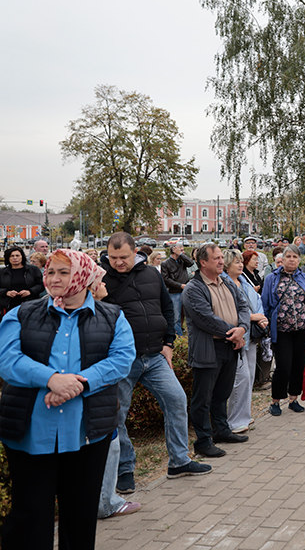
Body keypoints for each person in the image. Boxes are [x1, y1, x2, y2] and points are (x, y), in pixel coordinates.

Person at [0, 249, 135, 550]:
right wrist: (50, 379)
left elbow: (122, 358)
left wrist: (78, 383)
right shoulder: (20, 314)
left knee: (80, 515)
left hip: (86, 434)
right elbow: (7, 360)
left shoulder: (112, 316)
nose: (54, 278)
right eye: (50, 272)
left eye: (64, 272)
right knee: (31, 515)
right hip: (30, 432)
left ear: (84, 276)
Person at [99, 232, 211, 496]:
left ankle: (179, 461)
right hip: (121, 359)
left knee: (176, 400)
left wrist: (169, 343)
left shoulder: (152, 273)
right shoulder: (99, 278)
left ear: (135, 251)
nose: (118, 262)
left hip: (155, 355)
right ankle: (124, 469)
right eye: (113, 257)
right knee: (117, 416)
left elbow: (166, 307)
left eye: (124, 257)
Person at [182, 243, 251, 456]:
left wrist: (243, 328)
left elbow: (244, 306)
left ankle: (221, 430)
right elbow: (205, 319)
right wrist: (236, 332)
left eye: (222, 257)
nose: (222, 261)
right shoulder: (193, 288)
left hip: (229, 347)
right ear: (203, 263)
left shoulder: (227, 283)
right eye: (217, 258)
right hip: (208, 349)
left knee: (222, 393)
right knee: (202, 399)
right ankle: (203, 442)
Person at [261, 244, 305, 415]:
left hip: (303, 330)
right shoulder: (272, 279)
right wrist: (265, 326)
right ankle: (275, 401)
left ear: (299, 259)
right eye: (289, 257)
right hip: (281, 330)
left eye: (295, 257)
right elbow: (265, 304)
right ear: (282, 259)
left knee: (298, 365)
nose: (292, 260)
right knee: (283, 366)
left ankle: (294, 398)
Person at [223, 249, 268, 435]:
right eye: (236, 262)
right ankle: (234, 419)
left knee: (248, 376)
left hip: (251, 334)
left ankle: (244, 414)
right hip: (237, 335)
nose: (241, 265)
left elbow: (257, 301)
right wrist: (253, 316)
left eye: (241, 261)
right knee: (239, 379)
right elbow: (228, 310)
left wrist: (261, 318)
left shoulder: (244, 281)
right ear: (226, 265)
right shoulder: (224, 283)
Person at [160, 243, 194, 336]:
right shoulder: (165, 263)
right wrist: (180, 285)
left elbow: (191, 263)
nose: (183, 252)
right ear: (174, 251)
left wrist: (181, 255)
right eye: (181, 250)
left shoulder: (182, 260)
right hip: (174, 293)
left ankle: (191, 335)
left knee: (190, 315)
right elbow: (166, 279)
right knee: (176, 317)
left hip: (186, 292)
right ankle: (178, 337)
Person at [1, 246, 45, 315]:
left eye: (17, 255)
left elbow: (41, 284)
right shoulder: (2, 272)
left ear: (22, 256)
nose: (15, 258)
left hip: (30, 305)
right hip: (8, 306)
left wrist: (30, 291)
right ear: (8, 258)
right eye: (12, 256)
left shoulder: (33, 270)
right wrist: (6, 292)